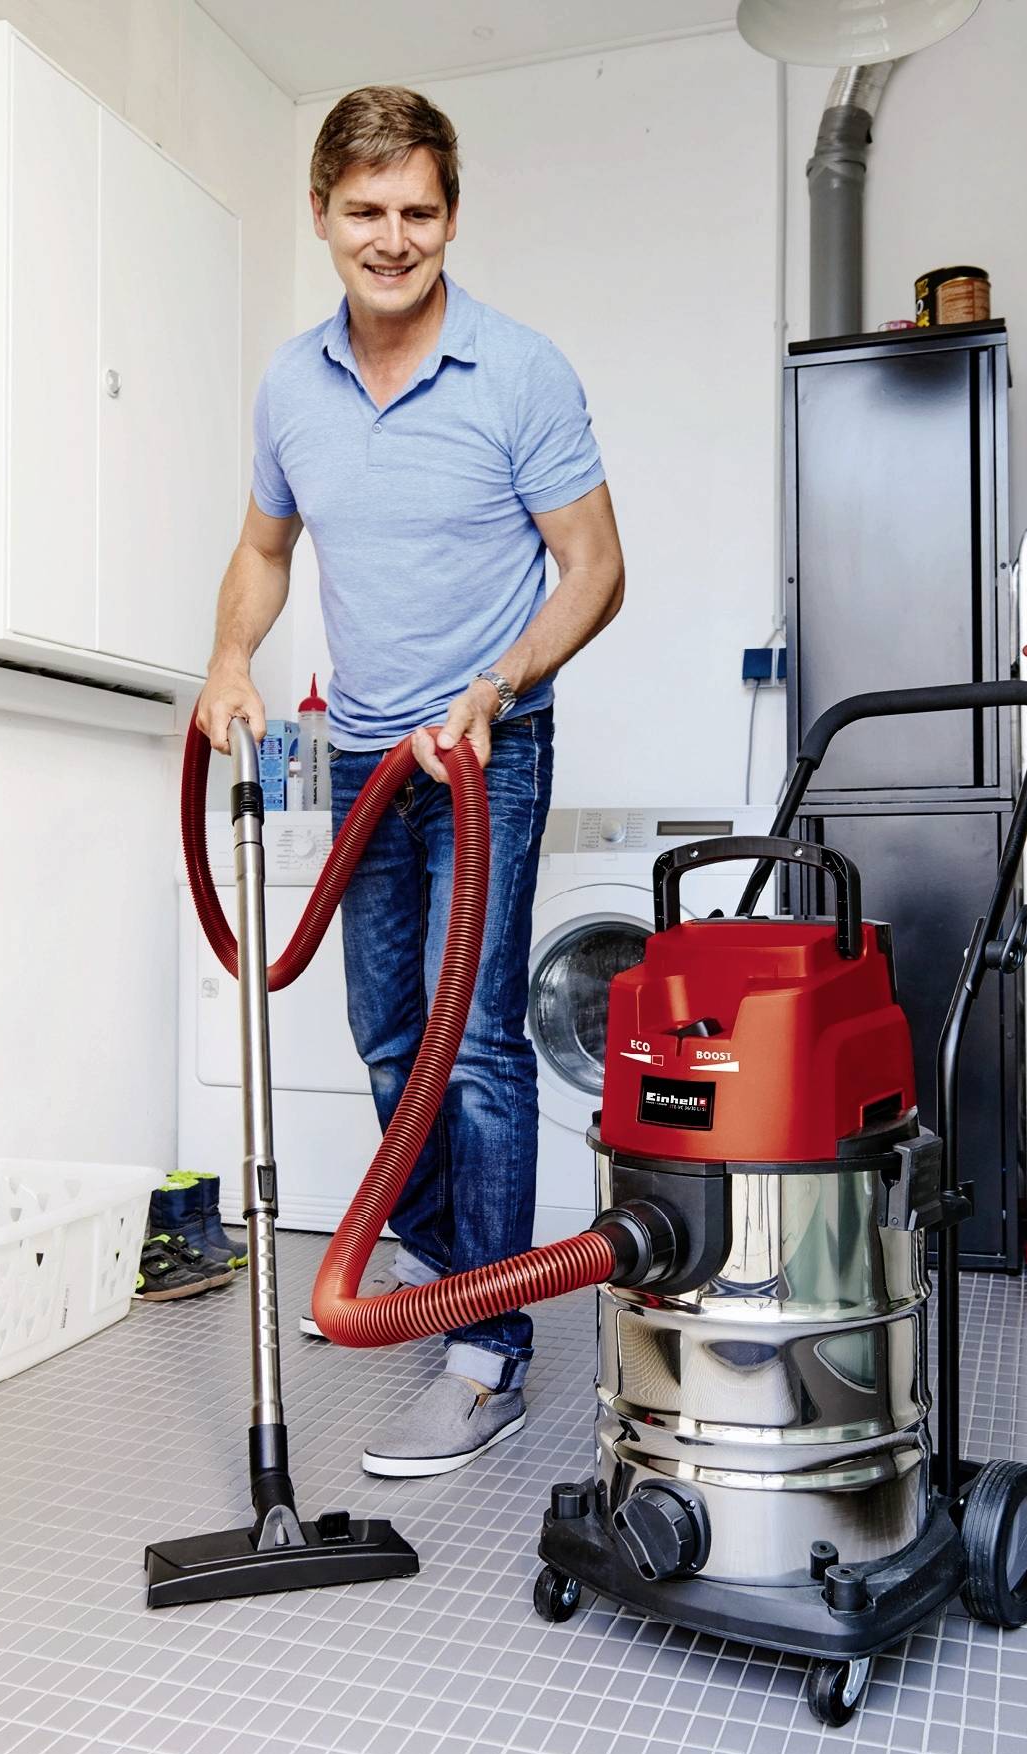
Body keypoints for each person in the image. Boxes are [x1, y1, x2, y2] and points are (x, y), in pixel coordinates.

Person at [197, 85, 624, 1477]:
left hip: (490, 749)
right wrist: (230, 658)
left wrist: (497, 686)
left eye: (419, 212)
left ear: (451, 216)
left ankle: (488, 1352)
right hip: (369, 754)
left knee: (478, 1044)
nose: (393, 239)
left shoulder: (520, 372)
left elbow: (594, 569)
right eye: (366, 211)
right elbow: (265, 550)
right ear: (322, 214)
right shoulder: (291, 386)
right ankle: (441, 1271)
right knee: (387, 1036)